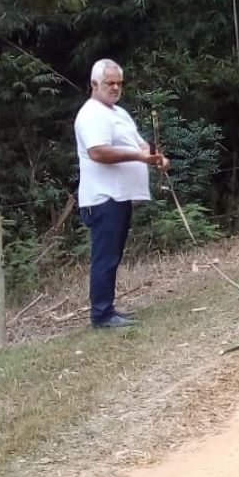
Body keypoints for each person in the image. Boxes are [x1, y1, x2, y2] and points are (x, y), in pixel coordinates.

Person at [74, 59, 169, 329]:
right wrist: (139, 157)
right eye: (110, 83)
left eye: (119, 83)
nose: (115, 88)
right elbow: (99, 152)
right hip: (103, 198)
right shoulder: (91, 114)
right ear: (94, 84)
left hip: (119, 197)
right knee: (105, 257)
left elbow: (141, 146)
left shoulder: (119, 113)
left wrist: (157, 158)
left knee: (112, 255)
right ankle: (101, 314)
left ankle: (108, 309)